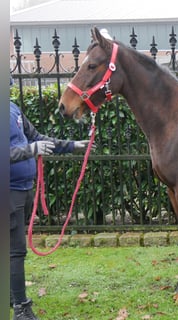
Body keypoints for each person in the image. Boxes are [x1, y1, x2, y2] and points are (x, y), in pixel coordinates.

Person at [10, 76, 91, 320]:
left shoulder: (13, 108)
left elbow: (36, 137)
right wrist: (31, 151)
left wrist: (72, 145)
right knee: (15, 252)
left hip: (23, 189)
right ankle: (21, 309)